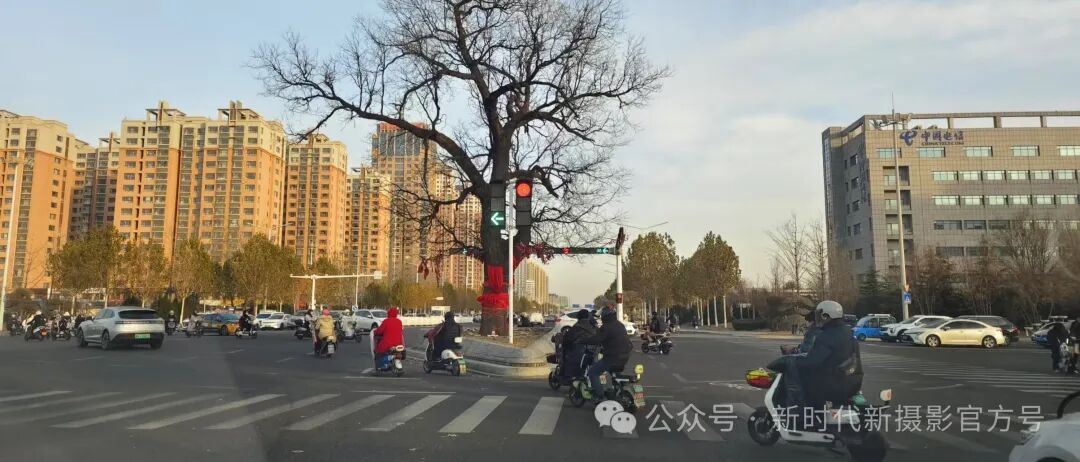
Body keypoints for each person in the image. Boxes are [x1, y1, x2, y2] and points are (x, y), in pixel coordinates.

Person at [795, 300, 862, 416]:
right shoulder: (847, 332)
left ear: (826, 316)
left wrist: (793, 361)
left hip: (834, 384)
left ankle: (805, 418)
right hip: (852, 382)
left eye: (819, 315)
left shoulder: (827, 336)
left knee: (801, 387)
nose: (817, 319)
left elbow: (812, 362)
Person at [583, 306, 632, 403]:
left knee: (593, 372)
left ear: (604, 316)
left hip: (612, 357)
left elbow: (597, 339)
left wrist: (583, 340)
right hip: (624, 356)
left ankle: (599, 396)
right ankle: (618, 389)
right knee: (614, 372)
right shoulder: (619, 324)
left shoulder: (606, 326)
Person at [561, 309, 596, 379]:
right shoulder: (594, 328)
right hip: (593, 353)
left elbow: (567, 340)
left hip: (578, 355)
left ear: (578, 317)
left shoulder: (576, 327)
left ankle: (567, 375)